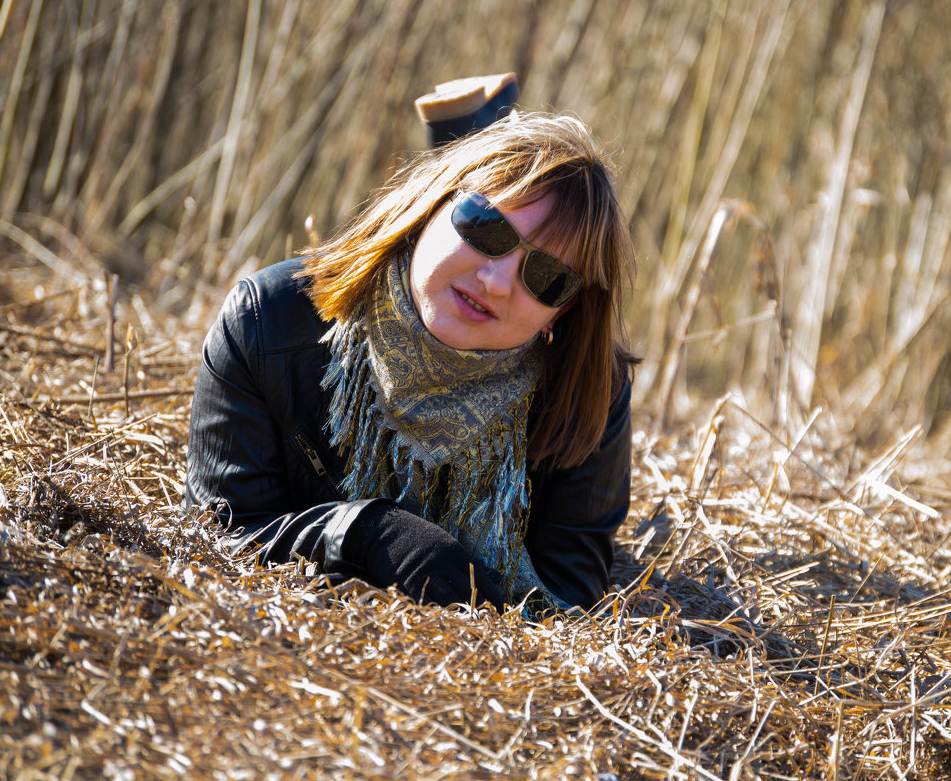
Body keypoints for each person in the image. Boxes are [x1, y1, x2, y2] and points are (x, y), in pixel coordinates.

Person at [184, 99, 635, 613]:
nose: (496, 282)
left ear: (562, 310)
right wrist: (366, 534)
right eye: (486, 228)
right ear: (431, 204)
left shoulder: (588, 394)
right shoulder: (266, 323)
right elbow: (217, 534)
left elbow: (570, 601)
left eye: (546, 277)